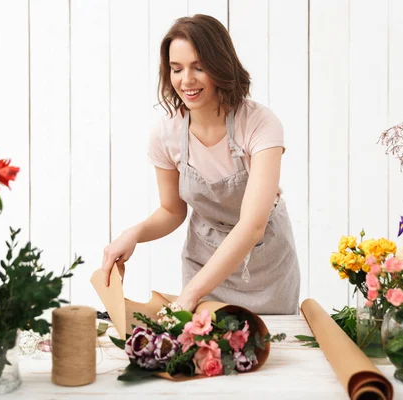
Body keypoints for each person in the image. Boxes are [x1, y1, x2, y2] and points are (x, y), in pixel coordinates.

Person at [101, 14, 300, 314]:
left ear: (221, 66)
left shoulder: (260, 124)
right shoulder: (166, 134)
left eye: (199, 67)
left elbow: (252, 226)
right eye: (176, 69)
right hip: (203, 259)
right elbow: (172, 210)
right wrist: (134, 234)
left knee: (269, 350)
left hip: (265, 264)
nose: (186, 80)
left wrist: (191, 292)